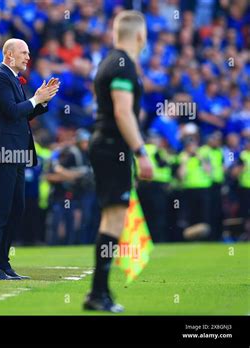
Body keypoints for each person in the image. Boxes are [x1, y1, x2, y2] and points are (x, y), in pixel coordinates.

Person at [85, 11, 153, 313]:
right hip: (114, 146)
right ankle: (98, 293)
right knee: (113, 219)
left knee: (110, 218)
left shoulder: (110, 61)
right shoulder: (124, 66)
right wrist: (141, 152)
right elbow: (123, 112)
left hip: (107, 145)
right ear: (140, 36)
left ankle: (100, 292)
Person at [0, 38, 60, 280]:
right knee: (1, 208)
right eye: (23, 52)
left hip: (16, 152)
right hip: (3, 151)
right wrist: (35, 99)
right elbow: (13, 111)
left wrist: (41, 100)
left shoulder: (11, 78)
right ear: (9, 55)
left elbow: (22, 113)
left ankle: (3, 264)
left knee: (16, 208)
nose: (28, 56)